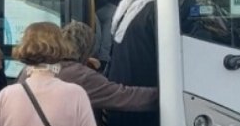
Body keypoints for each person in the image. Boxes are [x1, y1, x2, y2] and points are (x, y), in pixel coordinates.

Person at [18, 21, 158, 114]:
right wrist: (164, 95)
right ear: (87, 49)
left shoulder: (29, 70)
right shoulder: (83, 77)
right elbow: (124, 96)